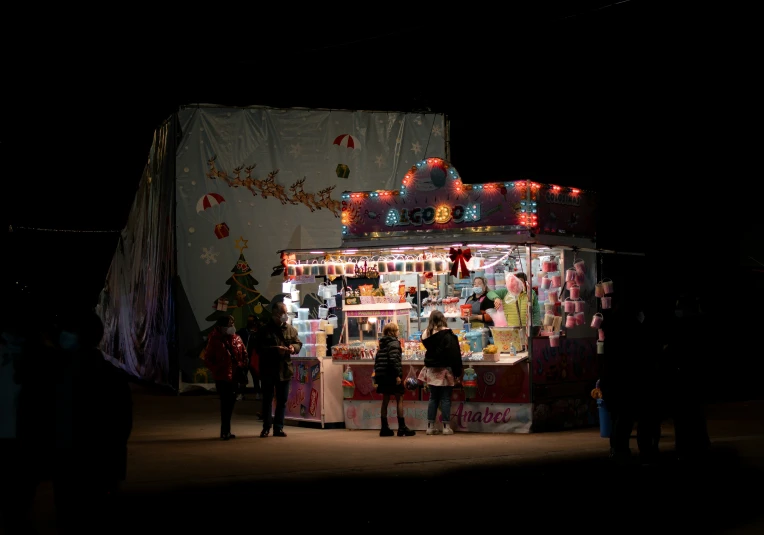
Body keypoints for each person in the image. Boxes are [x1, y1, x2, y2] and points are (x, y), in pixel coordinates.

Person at [600, 291, 663, 465]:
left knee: (623, 419)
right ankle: (640, 451)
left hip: (618, 379)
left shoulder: (613, 327)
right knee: (633, 418)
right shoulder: (633, 328)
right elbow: (642, 355)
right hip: (629, 379)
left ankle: (620, 451)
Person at [666, 291, 710, 461]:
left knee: (686, 415)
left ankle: (686, 448)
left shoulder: (683, 326)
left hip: (684, 375)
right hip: (690, 375)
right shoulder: (695, 324)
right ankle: (698, 446)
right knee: (694, 414)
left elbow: (675, 351)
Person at [255, 302, 302, 438]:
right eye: (282, 313)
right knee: (267, 400)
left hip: (285, 370)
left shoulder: (291, 330)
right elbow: (259, 349)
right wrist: (275, 350)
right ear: (274, 314)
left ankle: (278, 428)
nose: (285, 316)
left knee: (282, 401)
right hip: (268, 370)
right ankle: (266, 427)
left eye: (286, 313)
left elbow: (298, 343)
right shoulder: (264, 330)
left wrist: (293, 348)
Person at [418, 310, 463, 435]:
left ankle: (430, 426)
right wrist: (458, 371)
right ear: (443, 319)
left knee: (433, 398)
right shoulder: (448, 335)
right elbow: (454, 355)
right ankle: (446, 426)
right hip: (445, 370)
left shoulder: (426, 335)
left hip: (431, 370)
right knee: (445, 398)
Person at [203, 315, 248, 440]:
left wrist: (242, 365)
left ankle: (226, 430)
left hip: (235, 376)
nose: (232, 327)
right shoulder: (214, 340)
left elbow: (244, 354)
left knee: (231, 403)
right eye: (229, 324)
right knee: (225, 404)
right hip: (222, 377)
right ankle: (225, 431)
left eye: (232, 324)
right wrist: (217, 369)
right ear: (221, 327)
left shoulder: (237, 339)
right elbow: (208, 359)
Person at [373, 322, 415, 437]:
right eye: (397, 330)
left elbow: (378, 360)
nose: (398, 332)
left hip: (382, 375)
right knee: (399, 398)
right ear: (393, 332)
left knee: (385, 399)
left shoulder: (382, 343)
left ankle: (384, 428)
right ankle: (402, 428)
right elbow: (394, 360)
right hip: (391, 374)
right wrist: (397, 375)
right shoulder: (394, 343)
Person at [487, 272, 542, 344]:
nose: (517, 285)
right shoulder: (506, 292)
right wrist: (496, 298)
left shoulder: (531, 293)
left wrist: (535, 329)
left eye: (520, 282)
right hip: (511, 329)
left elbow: (536, 311)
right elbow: (490, 293)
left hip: (527, 329)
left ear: (525, 283)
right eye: (516, 282)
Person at [236, 314, 262, 401]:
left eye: (252, 320)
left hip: (253, 356)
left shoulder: (258, 332)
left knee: (255, 376)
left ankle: (258, 393)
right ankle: (241, 393)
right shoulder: (243, 331)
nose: (250, 322)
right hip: (243, 357)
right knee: (243, 376)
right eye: (248, 320)